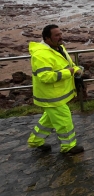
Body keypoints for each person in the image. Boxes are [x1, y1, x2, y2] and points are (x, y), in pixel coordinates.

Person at [27, 24, 84, 155]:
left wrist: (75, 69)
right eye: (56, 35)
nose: (60, 37)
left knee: (48, 119)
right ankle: (69, 147)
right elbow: (45, 77)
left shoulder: (59, 48)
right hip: (51, 96)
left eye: (60, 34)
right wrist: (68, 72)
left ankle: (35, 141)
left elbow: (69, 64)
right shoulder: (40, 55)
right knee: (64, 120)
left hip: (57, 94)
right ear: (47, 38)